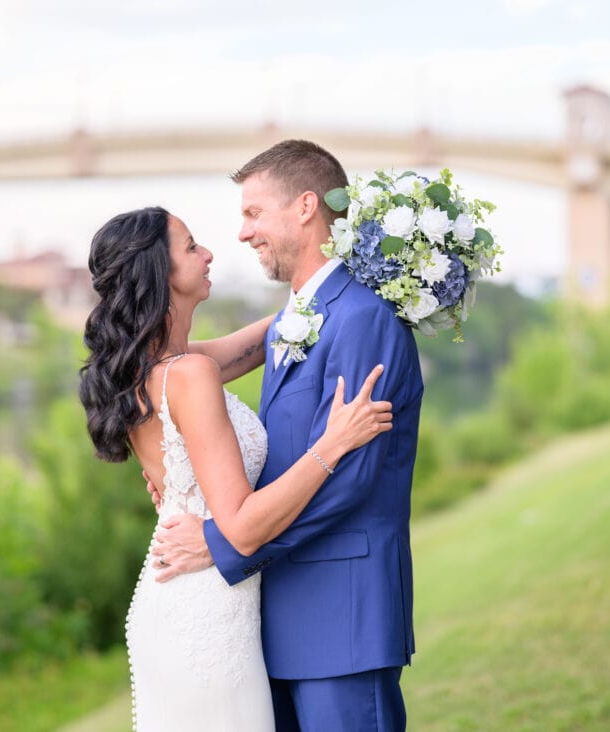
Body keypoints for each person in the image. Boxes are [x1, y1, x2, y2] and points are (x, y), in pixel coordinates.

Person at [78, 205, 393, 731]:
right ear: (160, 271)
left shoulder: (151, 370)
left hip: (180, 597)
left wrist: (351, 280)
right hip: (205, 613)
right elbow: (243, 527)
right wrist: (332, 445)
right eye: (191, 246)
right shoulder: (191, 375)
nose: (208, 254)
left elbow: (270, 337)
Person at [150, 140, 424, 731]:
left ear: (305, 207)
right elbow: (172, 374)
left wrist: (222, 541)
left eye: (253, 213)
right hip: (275, 623)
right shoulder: (295, 321)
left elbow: (347, 481)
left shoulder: (362, 319)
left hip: (342, 618)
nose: (243, 234)